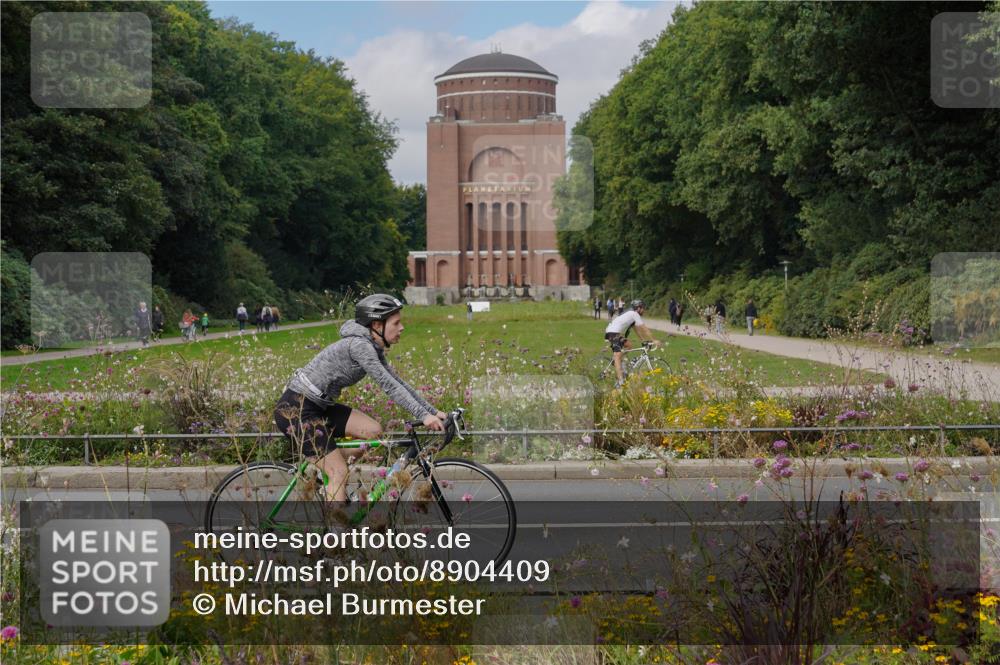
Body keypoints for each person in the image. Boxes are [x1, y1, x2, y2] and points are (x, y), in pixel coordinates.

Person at [274, 294, 446, 503]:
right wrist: (423, 415)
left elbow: (397, 381)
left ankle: (326, 468)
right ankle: (336, 531)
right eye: (396, 323)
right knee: (339, 473)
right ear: (376, 324)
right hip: (296, 409)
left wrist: (431, 412)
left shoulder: (371, 345)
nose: (402, 328)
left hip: (319, 407)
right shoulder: (359, 346)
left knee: (373, 431)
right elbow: (388, 386)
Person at [604, 299, 662, 386]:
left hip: (615, 333)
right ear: (638, 308)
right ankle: (620, 382)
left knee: (629, 345)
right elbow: (644, 328)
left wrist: (643, 341)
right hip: (612, 333)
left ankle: (617, 361)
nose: (644, 310)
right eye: (643, 308)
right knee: (618, 356)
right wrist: (654, 340)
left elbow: (637, 330)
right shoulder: (634, 314)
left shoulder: (631, 316)